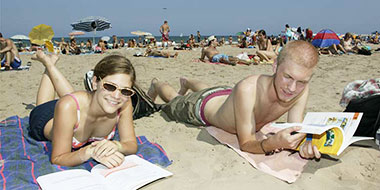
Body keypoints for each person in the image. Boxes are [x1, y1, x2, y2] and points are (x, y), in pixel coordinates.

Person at [148, 40, 321, 159]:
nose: (292, 88)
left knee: (211, 90)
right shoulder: (248, 89)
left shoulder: (301, 90)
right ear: (275, 66)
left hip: (227, 95)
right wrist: (270, 143)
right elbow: (246, 144)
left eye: (301, 82)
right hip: (200, 107)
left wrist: (305, 144)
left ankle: (187, 82)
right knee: (174, 99)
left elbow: (295, 130)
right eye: (288, 77)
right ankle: (156, 84)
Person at [28, 50, 138, 168]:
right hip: (44, 117)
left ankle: (50, 63)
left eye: (125, 90)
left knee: (73, 98)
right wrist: (88, 152)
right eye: (110, 86)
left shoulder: (123, 102)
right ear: (95, 82)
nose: (117, 96)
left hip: (80, 106)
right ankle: (48, 63)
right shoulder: (68, 105)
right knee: (61, 102)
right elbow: (57, 158)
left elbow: (131, 144)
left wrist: (118, 146)